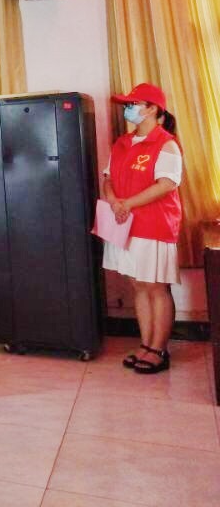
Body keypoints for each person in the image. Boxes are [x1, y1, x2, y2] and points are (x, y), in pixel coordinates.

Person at [101, 83, 182, 374]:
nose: (127, 109)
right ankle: (145, 344)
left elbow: (166, 184)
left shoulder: (166, 143)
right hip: (124, 224)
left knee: (155, 286)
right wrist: (114, 201)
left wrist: (128, 203)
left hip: (154, 225)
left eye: (132, 104)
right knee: (137, 285)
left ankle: (159, 349)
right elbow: (108, 178)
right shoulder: (122, 143)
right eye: (127, 104)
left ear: (152, 109)